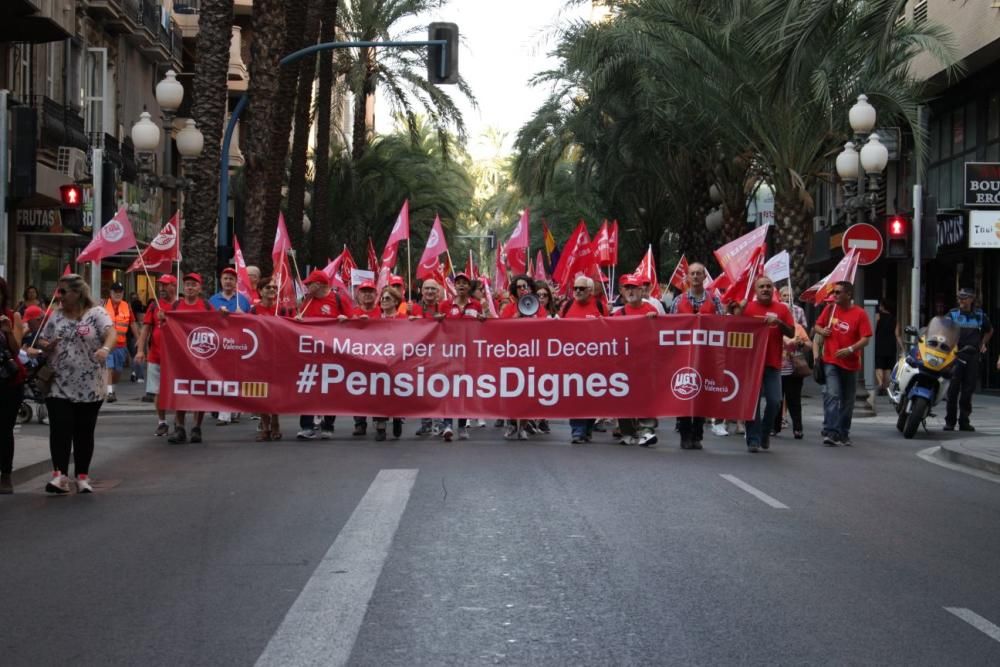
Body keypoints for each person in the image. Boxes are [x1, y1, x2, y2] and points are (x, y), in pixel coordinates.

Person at [35, 274, 117, 493]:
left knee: (84, 431)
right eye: (57, 291)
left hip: (90, 384)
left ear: (77, 293)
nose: (58, 296)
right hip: (58, 383)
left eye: (63, 291)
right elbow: (42, 339)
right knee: (60, 429)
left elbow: (112, 333)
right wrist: (47, 344)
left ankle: (82, 476)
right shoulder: (55, 316)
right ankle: (59, 476)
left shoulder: (96, 314)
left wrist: (105, 349)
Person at [669, 262, 724, 448]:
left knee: (702, 393)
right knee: (683, 392)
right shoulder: (678, 301)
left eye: (699, 273)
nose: (695, 276)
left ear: (704, 277)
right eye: (692, 273)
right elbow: (668, 326)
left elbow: (723, 325)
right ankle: (685, 435)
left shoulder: (715, 301)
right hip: (682, 355)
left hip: (706, 355)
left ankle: (697, 435)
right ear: (687, 277)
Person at [814, 281, 873, 447]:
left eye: (839, 292)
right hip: (831, 360)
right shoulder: (830, 309)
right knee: (832, 394)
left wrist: (851, 349)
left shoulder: (859, 314)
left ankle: (843, 432)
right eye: (834, 292)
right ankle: (831, 431)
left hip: (851, 363)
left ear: (849, 294)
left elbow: (866, 338)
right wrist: (822, 330)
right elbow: (817, 325)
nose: (835, 295)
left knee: (848, 401)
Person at [740, 276, 795, 453]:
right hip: (751, 364)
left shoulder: (782, 309)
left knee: (775, 401)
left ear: (773, 290)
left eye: (768, 286)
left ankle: (764, 432)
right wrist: (738, 312)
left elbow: (792, 331)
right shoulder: (747, 308)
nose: (765, 289)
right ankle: (753, 439)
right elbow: (733, 327)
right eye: (762, 286)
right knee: (752, 404)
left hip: (773, 363)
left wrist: (778, 323)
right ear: (755, 290)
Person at [296, 270, 349, 440]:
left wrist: (344, 319)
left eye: (309, 284)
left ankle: (328, 424)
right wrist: (296, 320)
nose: (306, 286)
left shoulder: (338, 299)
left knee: (330, 388)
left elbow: (353, 321)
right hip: (310, 353)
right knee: (308, 388)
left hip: (332, 353)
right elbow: (298, 321)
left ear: (318, 285)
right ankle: (307, 426)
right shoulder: (307, 301)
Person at [167, 273, 214, 445]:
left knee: (199, 392)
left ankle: (196, 428)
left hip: (201, 357)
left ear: (199, 288)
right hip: (179, 357)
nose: (190, 287)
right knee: (180, 390)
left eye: (194, 285)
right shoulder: (176, 305)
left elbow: (218, 327)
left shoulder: (207, 306)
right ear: (183, 287)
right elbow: (166, 326)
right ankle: (179, 427)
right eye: (187, 284)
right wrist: (162, 319)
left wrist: (224, 316)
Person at [614, 275, 659, 446]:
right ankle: (628, 432)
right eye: (627, 288)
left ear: (642, 290)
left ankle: (647, 431)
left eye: (634, 287)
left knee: (645, 398)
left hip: (646, 364)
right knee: (624, 397)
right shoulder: (619, 314)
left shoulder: (653, 310)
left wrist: (655, 322)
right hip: (625, 364)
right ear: (623, 291)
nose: (630, 291)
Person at [134, 275, 178, 436]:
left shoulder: (180, 305)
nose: (161, 288)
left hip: (176, 358)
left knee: (177, 389)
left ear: (174, 286)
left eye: (165, 285)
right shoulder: (153, 306)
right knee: (157, 390)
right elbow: (146, 328)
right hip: (156, 356)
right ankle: (162, 422)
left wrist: (167, 319)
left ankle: (178, 422)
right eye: (160, 285)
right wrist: (140, 350)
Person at [561, 276, 603, 443]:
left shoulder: (600, 306)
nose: (577, 291)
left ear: (590, 291)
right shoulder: (567, 306)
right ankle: (577, 430)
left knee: (592, 397)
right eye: (575, 288)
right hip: (573, 361)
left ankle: (587, 427)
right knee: (576, 397)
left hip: (594, 361)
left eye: (581, 288)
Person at [946, 287, 993, 431]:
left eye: (964, 298)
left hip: (972, 356)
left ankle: (964, 421)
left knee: (968, 390)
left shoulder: (979, 315)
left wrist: (982, 343)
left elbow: (990, 330)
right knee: (952, 390)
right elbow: (943, 328)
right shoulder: (953, 314)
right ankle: (950, 422)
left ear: (971, 299)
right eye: (959, 297)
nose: (961, 300)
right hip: (956, 355)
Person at [249, 277, 287, 441]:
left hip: (279, 357)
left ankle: (276, 422)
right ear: (260, 291)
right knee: (261, 392)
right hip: (259, 357)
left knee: (275, 392)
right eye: (267, 287)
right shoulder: (254, 311)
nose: (271, 290)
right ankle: (265, 426)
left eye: (274, 287)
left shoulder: (283, 310)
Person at [773, 286, 810, 440]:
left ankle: (798, 428)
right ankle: (774, 427)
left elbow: (808, 345)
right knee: (776, 400)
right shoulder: (774, 325)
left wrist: (800, 342)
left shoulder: (798, 327)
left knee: (794, 400)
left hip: (793, 369)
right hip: (776, 367)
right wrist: (789, 341)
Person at [0, 278, 26, 494]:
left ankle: (6, 475)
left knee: (5, 429)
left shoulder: (12, 315)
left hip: (8, 380)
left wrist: (8, 331)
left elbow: (16, 350)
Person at [373, 286, 406, 441]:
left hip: (398, 361)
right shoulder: (375, 320)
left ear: (395, 301)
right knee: (379, 392)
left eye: (388, 298)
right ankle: (380, 425)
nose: (384, 301)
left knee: (396, 391)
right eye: (383, 298)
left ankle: (397, 417)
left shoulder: (404, 320)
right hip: (379, 361)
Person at [102, 282, 140, 404]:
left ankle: (111, 389)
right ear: (110, 293)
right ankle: (109, 392)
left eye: (120, 292)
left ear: (123, 293)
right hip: (106, 344)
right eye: (115, 291)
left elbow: (132, 323)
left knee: (118, 371)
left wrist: (139, 339)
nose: (118, 294)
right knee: (109, 367)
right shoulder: (103, 305)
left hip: (120, 345)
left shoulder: (126, 306)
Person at [874, 300, 901, 395]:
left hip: (880, 344)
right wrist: (902, 347)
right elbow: (897, 335)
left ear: (882, 306)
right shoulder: (895, 319)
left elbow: (874, 329)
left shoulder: (878, 316)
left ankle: (880, 383)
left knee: (879, 365)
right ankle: (885, 387)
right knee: (888, 367)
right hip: (891, 345)